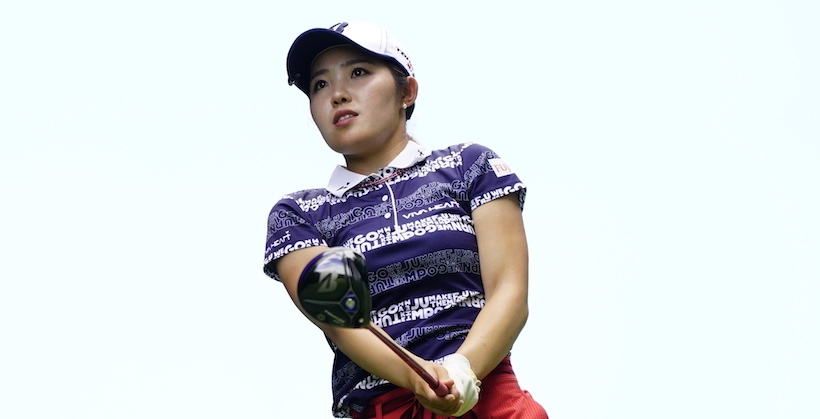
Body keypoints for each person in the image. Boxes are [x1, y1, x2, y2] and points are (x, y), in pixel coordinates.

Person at [263, 21, 549, 419]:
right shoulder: (299, 214)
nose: (337, 94)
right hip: (385, 407)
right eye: (319, 85)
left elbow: (509, 291)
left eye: (358, 72)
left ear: (406, 92)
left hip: (490, 397)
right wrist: (418, 378)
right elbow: (342, 323)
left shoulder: (471, 165)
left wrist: (461, 370)